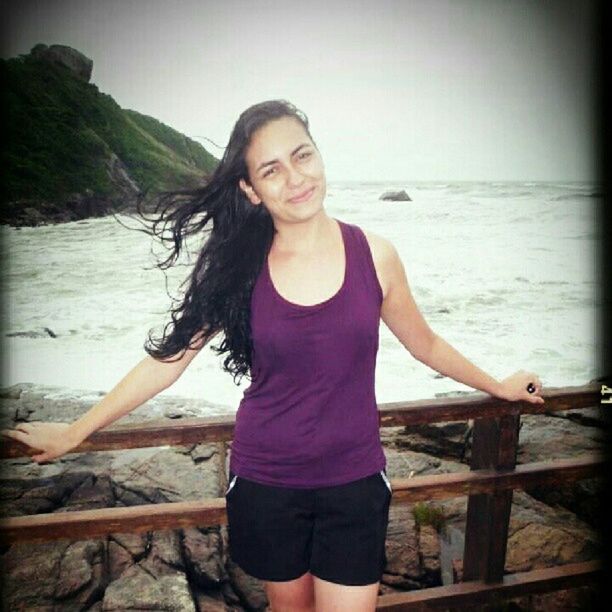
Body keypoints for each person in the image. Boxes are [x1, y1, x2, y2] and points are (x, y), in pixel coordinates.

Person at [1, 99, 544, 612]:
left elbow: (424, 343)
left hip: (354, 482)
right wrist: (78, 430)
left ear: (319, 154)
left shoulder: (375, 255)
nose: (296, 177)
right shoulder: (238, 267)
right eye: (272, 169)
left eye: (302, 155)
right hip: (267, 481)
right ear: (252, 190)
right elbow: (168, 361)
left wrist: (496, 385)